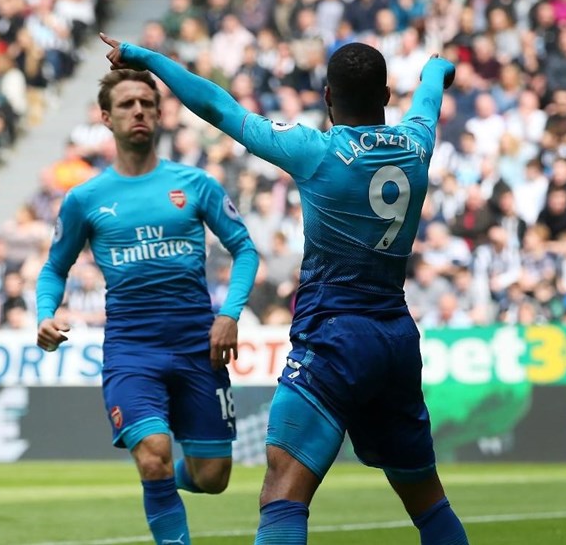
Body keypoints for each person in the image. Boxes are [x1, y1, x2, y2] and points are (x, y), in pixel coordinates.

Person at [100, 35, 468, 544]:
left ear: (328, 97)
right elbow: (429, 91)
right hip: (396, 339)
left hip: (334, 337)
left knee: (283, 495)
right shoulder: (417, 142)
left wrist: (145, 57)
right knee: (428, 502)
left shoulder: (316, 151)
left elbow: (217, 106)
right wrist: (438, 69)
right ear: (386, 96)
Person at [35, 68, 258, 545]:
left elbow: (245, 249)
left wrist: (229, 314)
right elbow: (54, 268)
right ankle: (155, 480)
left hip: (199, 345)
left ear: (159, 115)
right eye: (126, 104)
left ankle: (158, 481)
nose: (137, 111)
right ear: (106, 118)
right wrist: (45, 314)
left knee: (213, 477)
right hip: (132, 349)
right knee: (153, 452)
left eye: (146, 103)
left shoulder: (195, 184)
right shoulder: (85, 199)